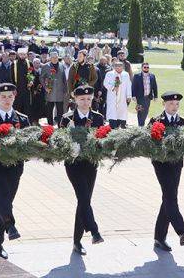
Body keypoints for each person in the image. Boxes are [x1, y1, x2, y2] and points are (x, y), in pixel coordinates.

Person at [0, 83, 30, 260]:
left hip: (15, 168)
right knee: (2, 197)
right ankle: (10, 227)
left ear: (15, 97)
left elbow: (29, 144)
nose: (7, 100)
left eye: (10, 96)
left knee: (5, 202)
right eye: (3, 97)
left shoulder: (23, 120)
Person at [59, 85, 105, 255]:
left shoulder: (98, 118)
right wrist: (70, 148)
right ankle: (94, 231)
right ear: (75, 100)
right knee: (83, 198)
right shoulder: (67, 118)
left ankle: (77, 241)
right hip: (74, 164)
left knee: (83, 201)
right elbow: (60, 141)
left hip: (91, 164)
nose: (85, 102)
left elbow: (103, 139)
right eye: (81, 99)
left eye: (88, 99)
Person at [149, 91, 184, 252]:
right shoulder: (155, 121)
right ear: (164, 105)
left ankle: (159, 238)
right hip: (161, 164)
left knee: (168, 198)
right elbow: (149, 143)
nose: (174, 107)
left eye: (176, 104)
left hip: (176, 164)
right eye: (171, 104)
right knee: (170, 196)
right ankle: (181, 231)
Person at [40, 51, 67, 125]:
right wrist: (45, 87)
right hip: (50, 92)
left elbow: (64, 78)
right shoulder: (46, 66)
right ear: (50, 58)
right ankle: (50, 126)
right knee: (49, 111)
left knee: (60, 111)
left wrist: (65, 90)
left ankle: (60, 126)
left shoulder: (61, 65)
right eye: (53, 57)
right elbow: (41, 78)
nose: (55, 59)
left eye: (56, 57)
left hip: (60, 92)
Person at [103, 61, 132, 129]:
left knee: (121, 113)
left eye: (120, 66)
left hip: (122, 97)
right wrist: (113, 87)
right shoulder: (109, 74)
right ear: (114, 67)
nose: (118, 68)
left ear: (122, 67)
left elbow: (128, 85)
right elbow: (105, 83)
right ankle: (112, 126)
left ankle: (119, 125)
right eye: (117, 66)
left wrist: (129, 96)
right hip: (112, 96)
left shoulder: (126, 74)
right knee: (112, 113)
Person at [9, 47, 33, 116]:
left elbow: (32, 74)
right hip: (17, 89)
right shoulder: (14, 64)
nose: (22, 56)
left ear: (26, 55)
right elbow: (11, 77)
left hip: (27, 89)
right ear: (18, 54)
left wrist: (31, 81)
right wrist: (13, 88)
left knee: (27, 107)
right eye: (21, 54)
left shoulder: (29, 63)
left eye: (24, 54)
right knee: (17, 106)